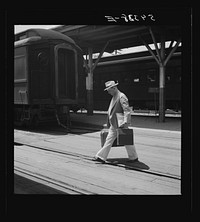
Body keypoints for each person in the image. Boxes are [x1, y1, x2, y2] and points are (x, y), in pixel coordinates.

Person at [92, 80, 139, 163]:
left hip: (120, 123)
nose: (108, 92)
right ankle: (101, 156)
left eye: (109, 90)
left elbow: (126, 110)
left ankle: (133, 157)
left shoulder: (121, 96)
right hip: (115, 123)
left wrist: (126, 121)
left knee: (125, 140)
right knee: (115, 140)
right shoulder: (115, 96)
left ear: (113, 88)